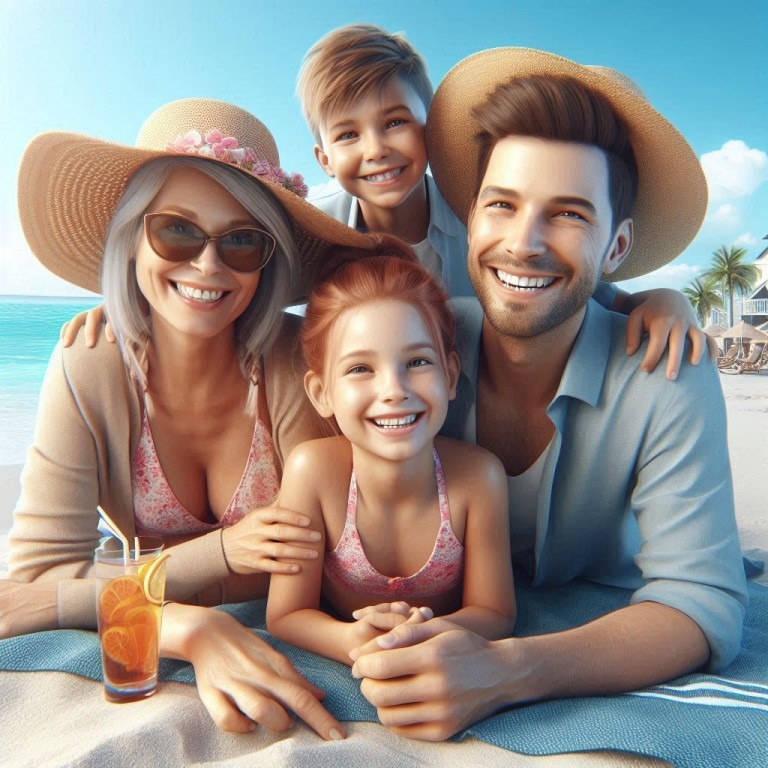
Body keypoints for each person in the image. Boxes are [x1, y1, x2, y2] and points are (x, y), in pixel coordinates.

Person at [346, 48, 749, 741]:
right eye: (502, 205)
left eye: (567, 214)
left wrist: (509, 671)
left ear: (617, 246)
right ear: (471, 219)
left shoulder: (666, 374)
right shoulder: (411, 352)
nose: (523, 243)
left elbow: (701, 602)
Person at [3, 97, 390, 739]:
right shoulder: (89, 366)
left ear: (268, 262)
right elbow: (36, 582)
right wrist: (192, 619)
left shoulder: (300, 362)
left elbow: (328, 557)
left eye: (242, 241)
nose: (208, 265)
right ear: (130, 238)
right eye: (177, 231)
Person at [297, 23, 712, 380]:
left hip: (476, 401)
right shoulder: (312, 232)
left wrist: (663, 300)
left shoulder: (483, 214)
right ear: (324, 160)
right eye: (348, 134)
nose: (376, 150)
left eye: (395, 122)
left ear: (430, 128)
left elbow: (585, 284)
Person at [266, 256, 515, 664]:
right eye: (361, 368)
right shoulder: (311, 471)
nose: (393, 390)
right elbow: (286, 613)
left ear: (450, 376)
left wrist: (419, 639)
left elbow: (496, 613)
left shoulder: (478, 478)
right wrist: (352, 641)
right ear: (321, 393)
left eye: (417, 362)